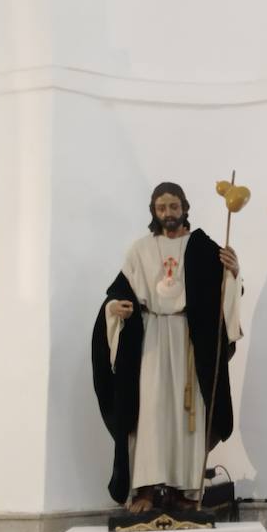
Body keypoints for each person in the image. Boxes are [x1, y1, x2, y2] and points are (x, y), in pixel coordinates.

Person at [90, 182, 242, 512]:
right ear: (154, 211)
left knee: (188, 413)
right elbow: (116, 293)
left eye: (173, 207)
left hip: (189, 339)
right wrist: (113, 310)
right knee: (151, 411)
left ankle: (187, 490)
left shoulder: (201, 246)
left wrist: (233, 272)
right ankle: (146, 488)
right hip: (151, 338)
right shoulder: (140, 250)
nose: (168, 213)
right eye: (161, 208)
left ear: (184, 207)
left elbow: (225, 292)